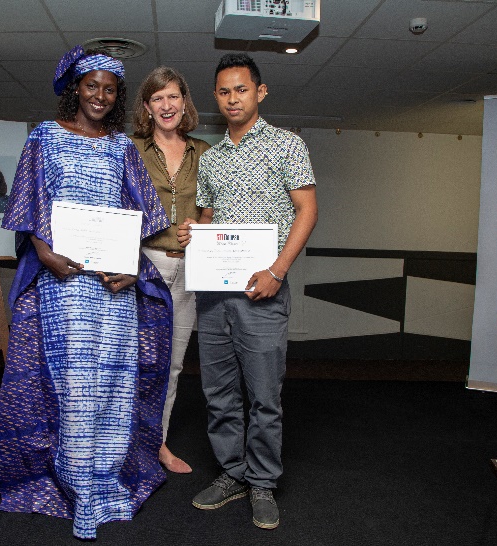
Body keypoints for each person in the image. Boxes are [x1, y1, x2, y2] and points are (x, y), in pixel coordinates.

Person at [0, 45, 172, 541]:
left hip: (113, 286)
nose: (101, 96)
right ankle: (76, 486)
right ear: (75, 88)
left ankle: (108, 481)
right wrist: (44, 253)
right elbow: (26, 207)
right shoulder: (43, 139)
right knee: (73, 387)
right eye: (92, 85)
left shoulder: (122, 148)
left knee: (114, 385)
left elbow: (146, 218)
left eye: (110, 89)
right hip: (64, 283)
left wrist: (132, 266)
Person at [177, 53, 318, 530]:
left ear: (260, 92)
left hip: (263, 292)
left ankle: (262, 482)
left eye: (241, 89)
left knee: (263, 396)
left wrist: (277, 271)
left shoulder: (286, 145)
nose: (232, 98)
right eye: (223, 91)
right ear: (215, 97)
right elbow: (211, 221)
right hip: (215, 295)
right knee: (218, 393)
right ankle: (232, 473)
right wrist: (193, 232)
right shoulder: (212, 158)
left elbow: (307, 211)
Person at [131, 67, 210, 474]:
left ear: (184, 102)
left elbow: (218, 210)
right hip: (144, 267)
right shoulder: (130, 149)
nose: (167, 105)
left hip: (192, 270)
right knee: (136, 361)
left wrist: (205, 224)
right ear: (147, 106)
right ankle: (124, 445)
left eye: (173, 97)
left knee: (173, 364)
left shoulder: (205, 152)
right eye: (157, 98)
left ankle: (157, 445)